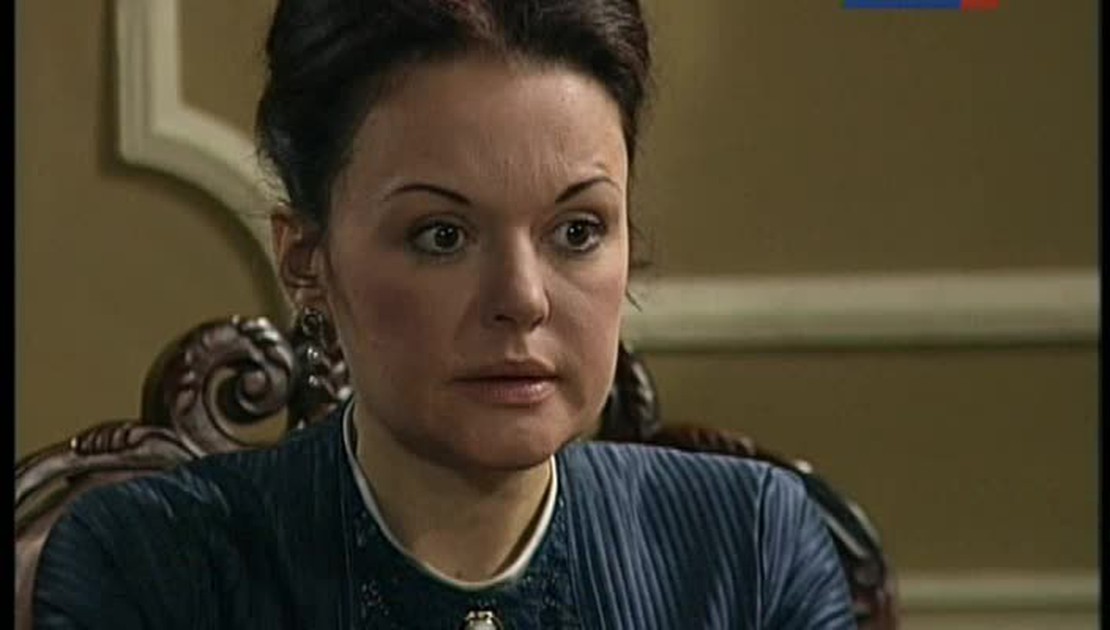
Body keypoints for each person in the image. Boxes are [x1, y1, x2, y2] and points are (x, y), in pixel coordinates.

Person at [33, 0, 856, 627]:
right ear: (307, 259)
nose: (522, 298)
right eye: (442, 235)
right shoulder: (154, 563)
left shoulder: (750, 548)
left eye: (577, 231)